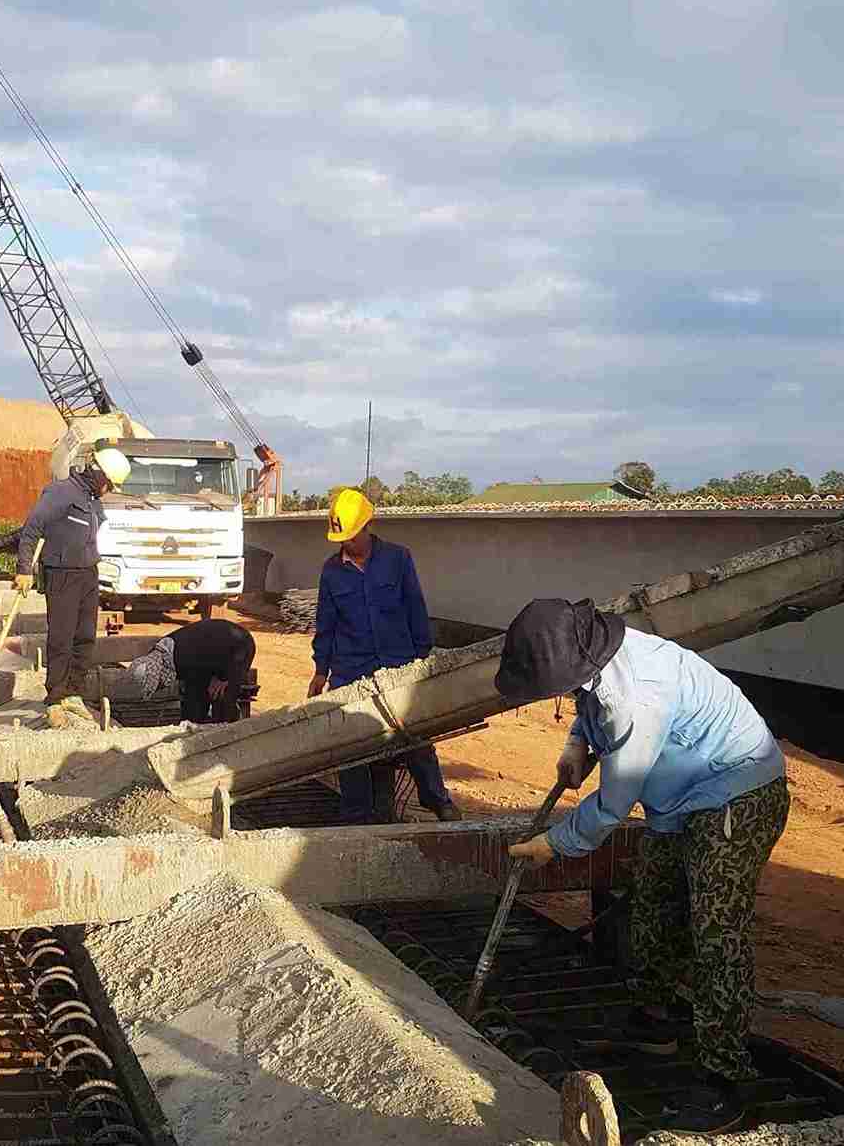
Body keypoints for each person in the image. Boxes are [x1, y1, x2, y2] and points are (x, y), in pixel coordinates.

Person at [495, 598, 788, 1136]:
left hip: (735, 793)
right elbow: (590, 708)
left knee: (715, 932)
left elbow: (611, 805)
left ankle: (725, 1079)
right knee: (653, 902)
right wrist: (576, 744)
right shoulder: (595, 659)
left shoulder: (637, 697)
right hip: (678, 797)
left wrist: (554, 845)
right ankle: (654, 1020)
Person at [309, 487, 461, 823]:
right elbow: (326, 623)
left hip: (398, 662)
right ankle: (356, 815)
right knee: (352, 745)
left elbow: (415, 609)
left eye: (351, 536)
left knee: (414, 735)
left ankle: (437, 800)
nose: (346, 544)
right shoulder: (331, 572)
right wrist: (321, 670)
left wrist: (421, 657)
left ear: (367, 526)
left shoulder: (398, 559)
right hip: (351, 669)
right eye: (342, 539)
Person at [16, 447, 132, 711]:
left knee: (85, 637)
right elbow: (32, 528)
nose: (110, 490)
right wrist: (24, 570)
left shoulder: (92, 500)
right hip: (62, 573)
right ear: (99, 474)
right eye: (110, 485)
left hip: (88, 573)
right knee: (61, 637)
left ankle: (74, 692)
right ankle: (56, 696)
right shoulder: (60, 492)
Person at [117, 617, 257, 723]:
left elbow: (200, 680)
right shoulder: (159, 654)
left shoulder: (183, 658)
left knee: (221, 695)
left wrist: (223, 677)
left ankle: (229, 731)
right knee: (195, 701)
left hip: (239, 650)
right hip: (214, 656)